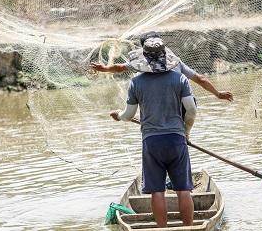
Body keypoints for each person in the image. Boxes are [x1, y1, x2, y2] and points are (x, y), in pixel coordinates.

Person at [110, 36, 197, 227]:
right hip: (176, 140)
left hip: (151, 142)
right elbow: (191, 110)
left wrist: (118, 115)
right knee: (183, 189)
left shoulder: (136, 82)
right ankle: (189, 228)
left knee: (157, 191)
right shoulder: (180, 78)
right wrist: (185, 131)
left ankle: (162, 229)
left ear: (145, 59)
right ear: (165, 56)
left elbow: (128, 114)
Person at [91, 32, 233, 102]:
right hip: (177, 108)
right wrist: (218, 94)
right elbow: (200, 79)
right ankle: (187, 134)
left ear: (143, 50)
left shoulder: (138, 69)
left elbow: (119, 68)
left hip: (152, 117)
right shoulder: (176, 63)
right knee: (190, 103)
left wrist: (104, 69)